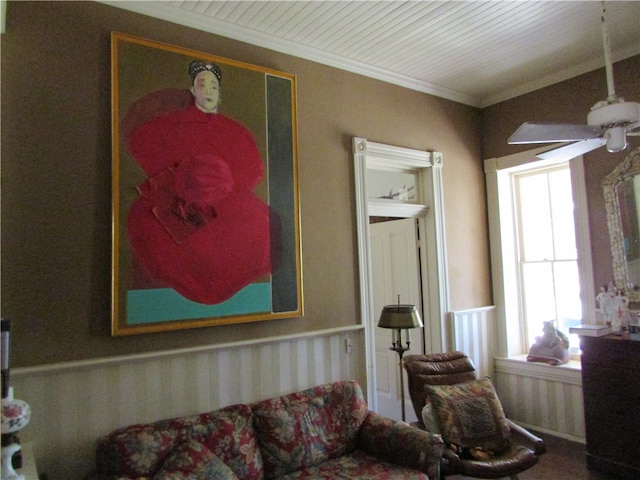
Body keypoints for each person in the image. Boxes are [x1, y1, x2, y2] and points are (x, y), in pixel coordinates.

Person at [123, 60, 280, 305]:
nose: (208, 92)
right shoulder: (171, 126)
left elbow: (251, 170)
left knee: (260, 225)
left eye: (213, 87)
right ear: (193, 89)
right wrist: (186, 181)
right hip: (177, 201)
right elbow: (148, 152)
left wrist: (221, 183)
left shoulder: (233, 131)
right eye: (202, 85)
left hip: (225, 201)